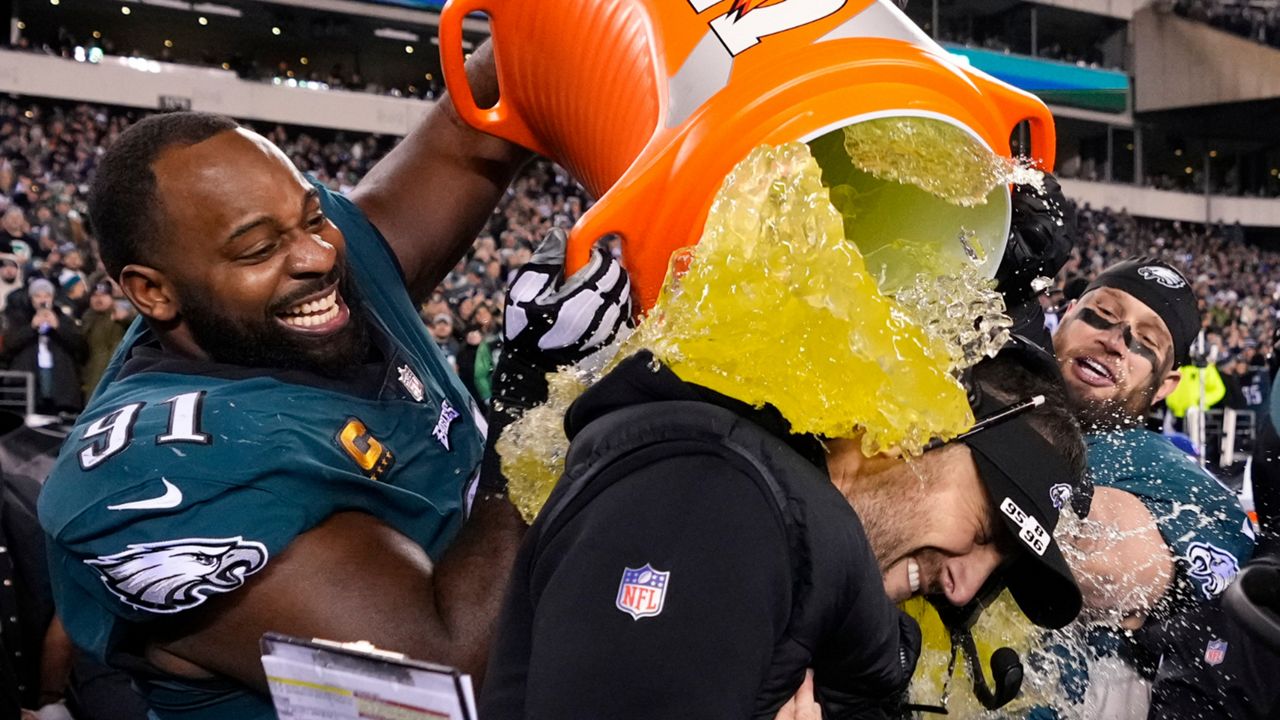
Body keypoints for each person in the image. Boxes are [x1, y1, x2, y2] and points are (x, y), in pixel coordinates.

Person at [37, 49, 630, 720]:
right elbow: (447, 680)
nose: (318, 255)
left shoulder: (312, 264)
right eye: (259, 248)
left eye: (313, 217)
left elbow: (470, 131)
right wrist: (531, 405)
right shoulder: (157, 469)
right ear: (153, 291)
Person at [480, 336, 1090, 719]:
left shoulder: (782, 532)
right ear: (912, 429)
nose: (963, 587)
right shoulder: (716, 497)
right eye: (983, 530)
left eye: (996, 571)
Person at [1049, 258, 1256, 718]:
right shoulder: (976, 393)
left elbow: (1108, 563)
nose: (1114, 341)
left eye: (1145, 341)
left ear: (1165, 385)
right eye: (1102, 314)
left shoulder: (1174, 477)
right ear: (1065, 316)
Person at [1, 277, 87, 414]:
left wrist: (58, 327)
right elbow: (8, 346)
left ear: (53, 298)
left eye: (47, 296)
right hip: (28, 384)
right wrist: (32, 327)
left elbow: (80, 346)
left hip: (60, 383)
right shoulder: (18, 318)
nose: (43, 300)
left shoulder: (64, 319)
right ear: (31, 298)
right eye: (38, 296)